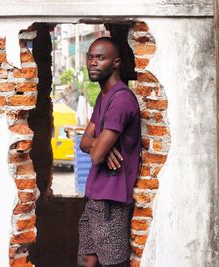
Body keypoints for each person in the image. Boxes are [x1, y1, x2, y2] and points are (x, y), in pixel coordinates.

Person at [78, 37, 141, 267]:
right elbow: (84, 142)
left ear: (115, 62)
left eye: (100, 58)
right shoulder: (102, 98)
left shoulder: (121, 100)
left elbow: (94, 155)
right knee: (87, 260)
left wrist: (98, 148)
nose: (92, 62)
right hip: (95, 194)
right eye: (90, 57)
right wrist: (101, 144)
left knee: (113, 263)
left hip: (111, 200)